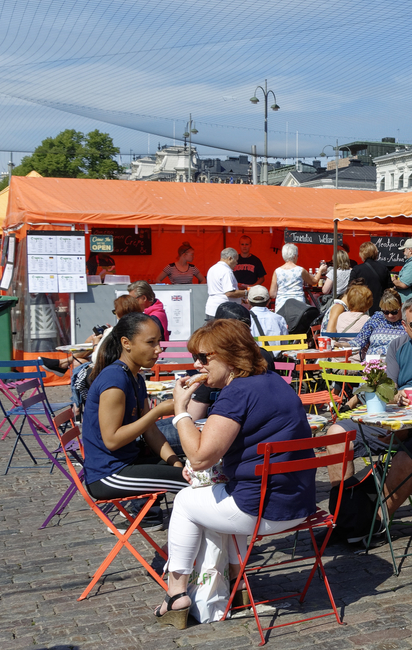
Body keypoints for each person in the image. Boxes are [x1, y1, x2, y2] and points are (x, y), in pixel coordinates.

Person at [152, 319, 316, 628]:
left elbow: (200, 458)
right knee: (219, 493)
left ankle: (176, 595)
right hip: (300, 503)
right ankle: (237, 585)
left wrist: (180, 411)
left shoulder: (236, 394)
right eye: (195, 358)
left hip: (264, 511)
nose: (197, 364)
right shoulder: (275, 380)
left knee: (187, 501)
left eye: (204, 357)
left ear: (229, 355)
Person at [321, 295, 412, 518]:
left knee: (405, 456)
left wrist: (408, 430)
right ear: (404, 325)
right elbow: (388, 386)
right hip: (397, 421)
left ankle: (376, 522)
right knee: (336, 435)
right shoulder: (397, 346)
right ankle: (345, 512)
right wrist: (393, 396)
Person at [80, 313, 188, 500]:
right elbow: (112, 440)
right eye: (150, 343)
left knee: (193, 472)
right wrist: (157, 412)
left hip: (129, 462)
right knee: (194, 484)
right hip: (109, 475)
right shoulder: (114, 379)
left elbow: (151, 432)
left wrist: (176, 464)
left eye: (159, 343)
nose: (158, 350)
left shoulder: (135, 377)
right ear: (126, 343)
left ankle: (151, 519)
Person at [353, 289, 408, 357]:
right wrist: (341, 344)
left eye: (394, 312)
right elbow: (360, 340)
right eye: (386, 312)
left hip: (396, 364)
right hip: (372, 363)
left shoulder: (408, 321)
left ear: (401, 306)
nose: (390, 315)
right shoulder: (377, 318)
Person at [349, 241, 393, 312]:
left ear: (362, 254)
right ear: (375, 253)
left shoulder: (357, 269)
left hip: (362, 306)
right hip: (380, 306)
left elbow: (350, 288)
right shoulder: (383, 268)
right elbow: (389, 287)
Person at [268, 243, 316, 308]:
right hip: (298, 305)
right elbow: (313, 281)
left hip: (281, 305)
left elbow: (272, 294)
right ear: (294, 256)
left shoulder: (277, 271)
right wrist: (320, 271)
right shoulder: (300, 270)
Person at [204, 248, 246, 321]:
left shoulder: (212, 268)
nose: (237, 263)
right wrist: (247, 292)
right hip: (224, 311)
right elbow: (229, 293)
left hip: (211, 308)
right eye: (236, 260)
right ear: (230, 258)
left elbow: (220, 287)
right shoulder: (226, 271)